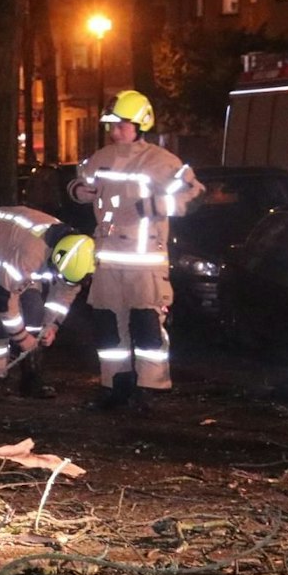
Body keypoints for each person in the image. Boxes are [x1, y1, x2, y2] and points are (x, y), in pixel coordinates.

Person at [68, 90, 205, 412]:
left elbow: (195, 194)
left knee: (146, 326)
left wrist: (156, 205)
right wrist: (78, 192)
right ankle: (115, 386)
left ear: (140, 124)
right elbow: (78, 182)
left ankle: (150, 390)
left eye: (122, 125)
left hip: (145, 264)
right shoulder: (101, 158)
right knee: (107, 327)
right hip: (107, 262)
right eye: (112, 126)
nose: (115, 132)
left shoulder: (161, 161)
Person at [0, 205, 97, 398]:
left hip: (14, 252)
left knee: (33, 308)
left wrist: (51, 326)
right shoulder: (31, 253)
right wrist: (23, 338)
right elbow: (4, 299)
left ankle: (31, 377)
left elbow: (63, 295)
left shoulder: (79, 257)